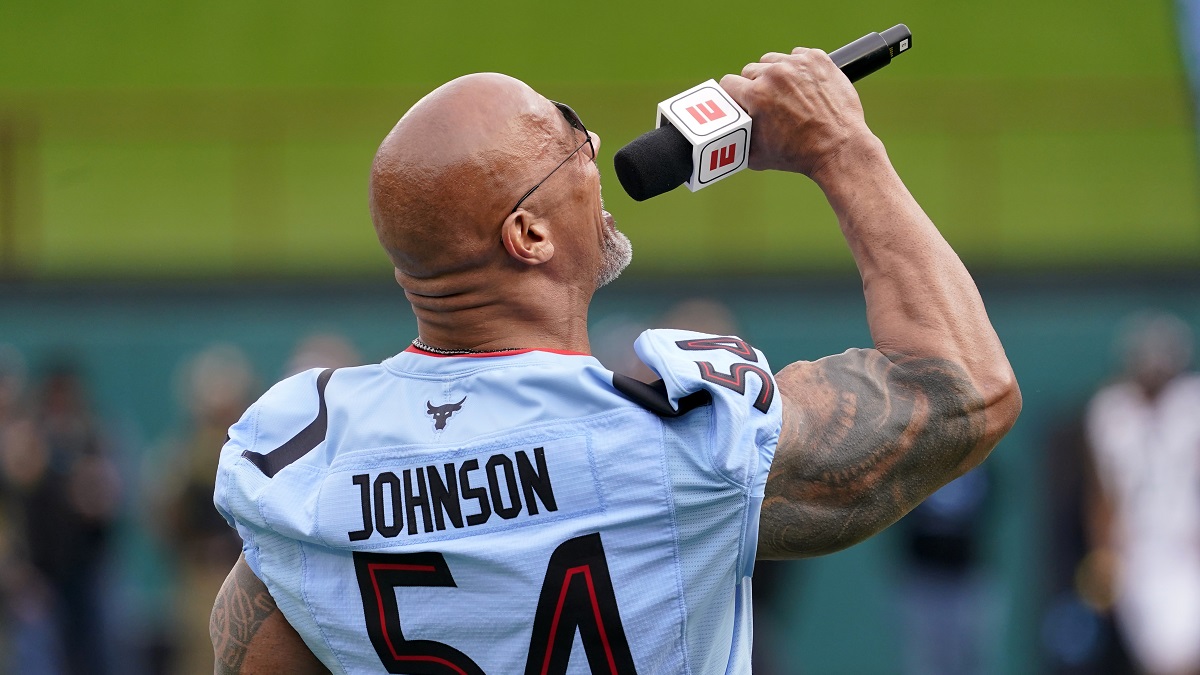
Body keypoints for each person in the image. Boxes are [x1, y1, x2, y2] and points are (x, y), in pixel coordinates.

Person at [210, 47, 1021, 674]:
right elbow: (967, 391)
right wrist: (842, 146)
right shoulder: (670, 441)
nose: (597, 141)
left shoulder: (303, 464)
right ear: (528, 234)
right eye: (569, 136)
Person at [1083, 312, 1200, 675]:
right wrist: (1103, 551)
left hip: (1187, 545)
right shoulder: (1111, 410)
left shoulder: (1191, 403)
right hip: (1137, 551)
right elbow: (1103, 490)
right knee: (1157, 657)